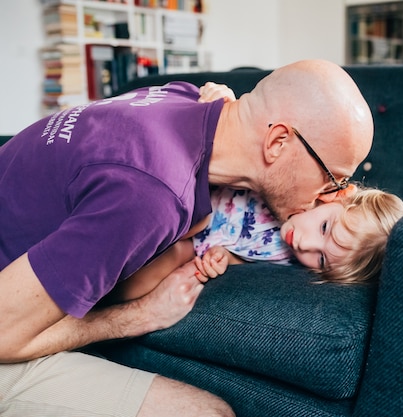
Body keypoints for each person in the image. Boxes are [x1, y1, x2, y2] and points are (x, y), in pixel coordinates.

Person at [0, 60, 373, 417]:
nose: (329, 194)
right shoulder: (150, 197)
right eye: (333, 178)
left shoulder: (181, 96)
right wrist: (137, 317)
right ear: (276, 142)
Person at [112, 184, 403, 302]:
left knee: (162, 265)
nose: (305, 245)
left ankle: (102, 298)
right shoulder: (303, 186)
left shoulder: (290, 259)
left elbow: (246, 258)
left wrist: (222, 258)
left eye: (321, 260)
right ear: (340, 195)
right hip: (191, 198)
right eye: (323, 228)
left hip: (196, 244)